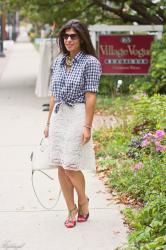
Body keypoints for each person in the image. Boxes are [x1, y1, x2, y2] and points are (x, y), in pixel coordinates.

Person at [44, 19, 102, 228]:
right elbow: (53, 94)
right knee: (60, 164)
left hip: (78, 113)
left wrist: (87, 126)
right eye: (65, 36)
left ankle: (83, 201)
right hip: (60, 115)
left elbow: (91, 96)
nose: (68, 39)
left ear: (81, 38)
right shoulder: (59, 60)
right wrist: (48, 122)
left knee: (70, 165)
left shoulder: (90, 62)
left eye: (73, 36)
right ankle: (72, 209)